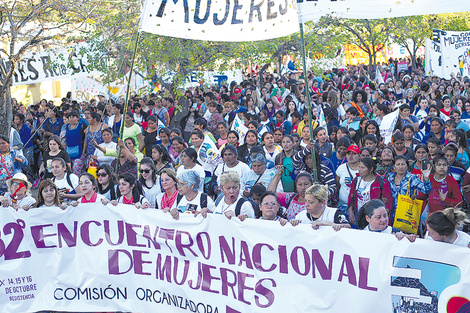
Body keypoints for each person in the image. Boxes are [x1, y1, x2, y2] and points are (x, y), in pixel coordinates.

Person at [347, 157, 393, 226]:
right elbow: (351, 198)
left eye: (362, 168)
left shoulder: (382, 182)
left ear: (371, 169)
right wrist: (350, 213)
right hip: (358, 216)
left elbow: (389, 203)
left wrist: (380, 218)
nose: (359, 170)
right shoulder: (356, 180)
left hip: (374, 218)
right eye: (359, 167)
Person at [336, 145, 360, 211]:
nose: (351, 156)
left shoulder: (363, 169)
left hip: (358, 205)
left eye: (354, 154)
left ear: (359, 155)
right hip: (343, 204)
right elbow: (338, 184)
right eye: (349, 153)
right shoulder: (341, 168)